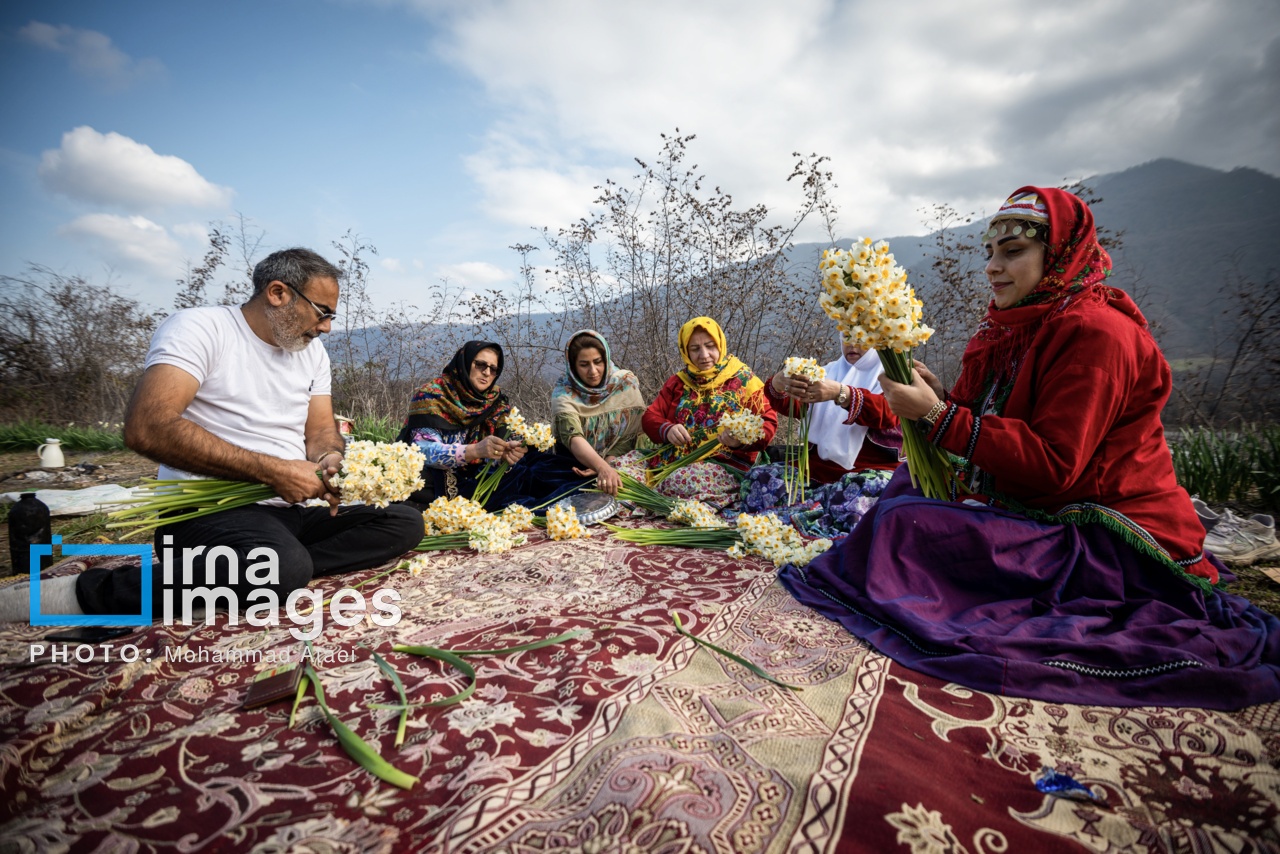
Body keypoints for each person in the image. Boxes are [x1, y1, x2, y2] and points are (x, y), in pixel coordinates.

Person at [779, 188, 1280, 709]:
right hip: (1038, 506)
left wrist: (935, 413)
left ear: (1060, 255)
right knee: (908, 490)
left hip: (1103, 532)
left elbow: (1055, 463)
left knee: (908, 525)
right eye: (990, 253)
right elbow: (988, 421)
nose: (994, 267)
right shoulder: (1012, 327)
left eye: (1013, 251)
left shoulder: (1096, 334)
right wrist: (939, 399)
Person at [0, 248, 426, 623]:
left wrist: (331, 461)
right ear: (278, 293)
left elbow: (320, 432)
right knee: (280, 565)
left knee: (403, 521)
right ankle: (83, 593)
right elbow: (148, 426)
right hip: (209, 513)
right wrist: (274, 472)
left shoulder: (311, 352)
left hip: (289, 512)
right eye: (322, 312)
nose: (327, 328)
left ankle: (235, 580)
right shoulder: (199, 328)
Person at [742, 337, 902, 535]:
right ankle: (810, 515)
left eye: (862, 339)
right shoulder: (829, 372)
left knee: (863, 490)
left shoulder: (892, 376)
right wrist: (778, 384)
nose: (852, 345)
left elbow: (888, 414)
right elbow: (801, 408)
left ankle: (807, 517)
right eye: (847, 337)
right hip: (817, 472)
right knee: (760, 477)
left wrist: (841, 393)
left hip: (865, 472)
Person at [398, 341, 584, 509]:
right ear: (465, 363)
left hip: (480, 474)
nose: (487, 373)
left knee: (542, 469)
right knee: (415, 479)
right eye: (480, 365)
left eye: (493, 369)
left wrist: (507, 452)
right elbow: (423, 451)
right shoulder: (432, 395)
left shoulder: (495, 400)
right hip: (440, 474)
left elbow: (501, 446)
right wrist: (474, 451)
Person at [621, 317, 776, 507]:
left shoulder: (745, 380)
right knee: (620, 469)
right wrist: (667, 430)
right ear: (685, 351)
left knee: (680, 480)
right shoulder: (678, 382)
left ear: (720, 344)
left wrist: (740, 441)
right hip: (674, 459)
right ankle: (655, 498)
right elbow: (650, 417)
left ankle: (650, 500)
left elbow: (767, 423)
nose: (704, 355)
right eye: (695, 349)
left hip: (725, 465)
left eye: (710, 346)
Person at [551, 330, 646, 497]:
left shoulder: (624, 384)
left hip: (617, 459)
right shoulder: (564, 393)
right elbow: (573, 437)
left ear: (606, 359)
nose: (593, 371)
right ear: (573, 366)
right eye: (584, 364)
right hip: (576, 463)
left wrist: (607, 466)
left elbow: (628, 436)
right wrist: (600, 467)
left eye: (598, 362)